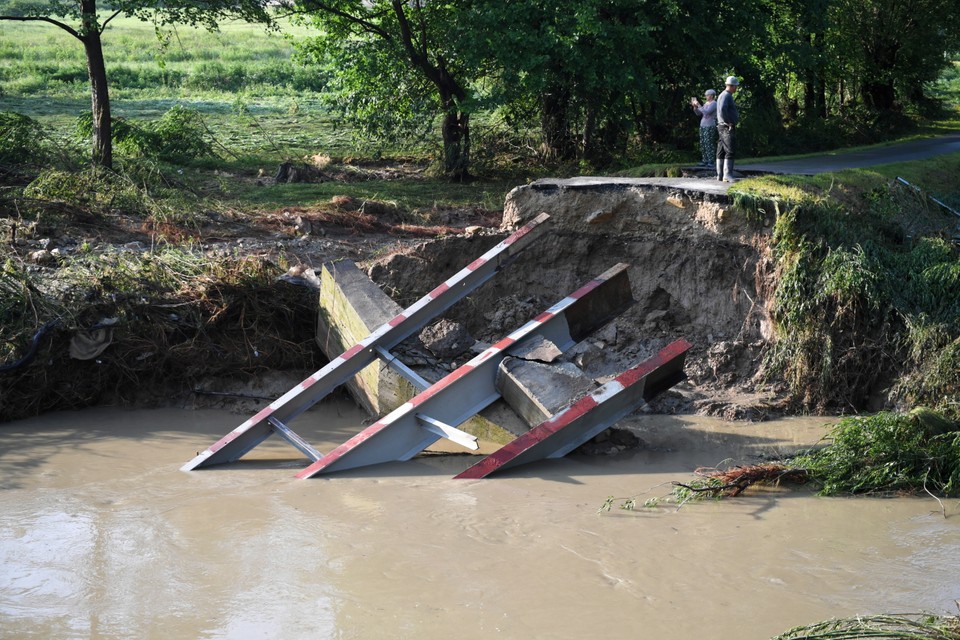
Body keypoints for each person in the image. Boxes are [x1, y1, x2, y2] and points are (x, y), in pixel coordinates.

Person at [715, 76, 739, 182]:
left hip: (721, 125)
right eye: (736, 86)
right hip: (726, 127)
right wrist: (728, 122)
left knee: (721, 150)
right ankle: (727, 175)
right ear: (732, 86)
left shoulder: (722, 95)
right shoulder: (726, 95)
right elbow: (722, 109)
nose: (736, 88)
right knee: (730, 150)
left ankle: (720, 175)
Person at [690, 89, 717, 166]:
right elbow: (699, 114)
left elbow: (706, 112)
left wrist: (698, 104)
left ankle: (711, 161)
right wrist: (695, 107)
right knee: (703, 143)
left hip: (710, 125)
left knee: (709, 143)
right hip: (703, 125)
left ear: (711, 96)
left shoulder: (714, 103)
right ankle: (705, 160)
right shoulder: (706, 104)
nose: (705, 96)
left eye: (707, 95)